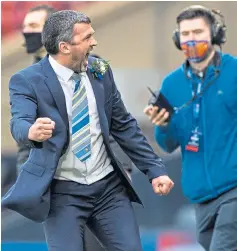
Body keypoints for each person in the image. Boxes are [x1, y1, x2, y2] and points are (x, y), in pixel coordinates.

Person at [2, 10, 174, 251]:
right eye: (87, 38)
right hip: (62, 194)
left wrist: (155, 170)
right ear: (64, 47)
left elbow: (123, 124)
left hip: (107, 189)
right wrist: (31, 131)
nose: (94, 42)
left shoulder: (100, 68)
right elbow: (18, 122)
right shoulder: (27, 80)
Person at [144, 5, 237, 251]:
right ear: (177, 39)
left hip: (234, 189)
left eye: (197, 31)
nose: (191, 39)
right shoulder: (172, 84)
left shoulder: (234, 72)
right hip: (201, 197)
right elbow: (167, 143)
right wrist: (163, 126)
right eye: (185, 34)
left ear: (215, 34)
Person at [17, 5, 56, 171]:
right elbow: (23, 134)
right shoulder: (25, 79)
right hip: (49, 172)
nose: (26, 32)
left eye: (33, 26)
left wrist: (124, 165)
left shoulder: (86, 66)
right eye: (24, 27)